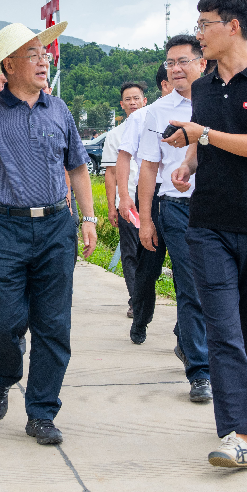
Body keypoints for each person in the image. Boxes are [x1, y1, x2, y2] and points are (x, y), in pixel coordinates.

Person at [0, 22, 98, 447]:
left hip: (55, 227)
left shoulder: (59, 109)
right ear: (8, 67)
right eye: (33, 54)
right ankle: (3, 375)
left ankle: (42, 412)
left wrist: (88, 217)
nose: (44, 60)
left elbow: (78, 166)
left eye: (44, 54)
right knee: (3, 319)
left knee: (53, 323)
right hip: (4, 227)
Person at [166, 0, 247, 468]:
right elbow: (203, 143)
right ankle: (236, 433)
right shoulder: (202, 88)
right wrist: (190, 162)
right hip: (208, 225)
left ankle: (245, 417)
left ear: (233, 26)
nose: (199, 35)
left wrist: (203, 137)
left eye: (204, 25)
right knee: (222, 329)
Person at [135, 34, 211, 404]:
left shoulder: (220, 100)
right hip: (178, 208)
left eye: (183, 61)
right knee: (192, 285)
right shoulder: (158, 112)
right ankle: (200, 371)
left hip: (220, 205)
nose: (176, 69)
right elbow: (148, 168)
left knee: (217, 287)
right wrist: (146, 220)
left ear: (203, 62)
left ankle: (189, 338)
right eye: (170, 63)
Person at [114, 64, 174, 342]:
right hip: (151, 193)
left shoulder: (199, 108)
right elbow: (124, 157)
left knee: (190, 268)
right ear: (164, 84)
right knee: (148, 265)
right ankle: (141, 319)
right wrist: (125, 197)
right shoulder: (143, 117)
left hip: (186, 196)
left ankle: (186, 334)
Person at [100, 82, 148, 318]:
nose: (132, 103)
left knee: (150, 254)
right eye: (127, 99)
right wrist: (113, 206)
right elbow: (110, 173)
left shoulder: (155, 127)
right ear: (122, 105)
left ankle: (145, 296)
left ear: (144, 101)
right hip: (127, 202)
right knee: (130, 253)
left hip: (153, 200)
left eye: (136, 98)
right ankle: (136, 301)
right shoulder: (114, 135)